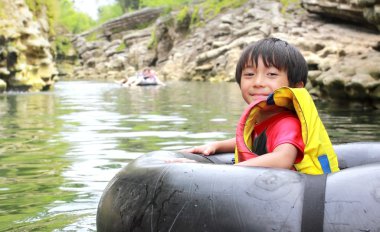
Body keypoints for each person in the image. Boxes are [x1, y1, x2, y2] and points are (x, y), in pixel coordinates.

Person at [179, 37, 339, 175]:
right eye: (249, 74)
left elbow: (283, 158)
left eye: (272, 74)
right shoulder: (264, 120)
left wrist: (225, 171)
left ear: (296, 87)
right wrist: (216, 146)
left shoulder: (287, 124)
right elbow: (251, 139)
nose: (257, 83)